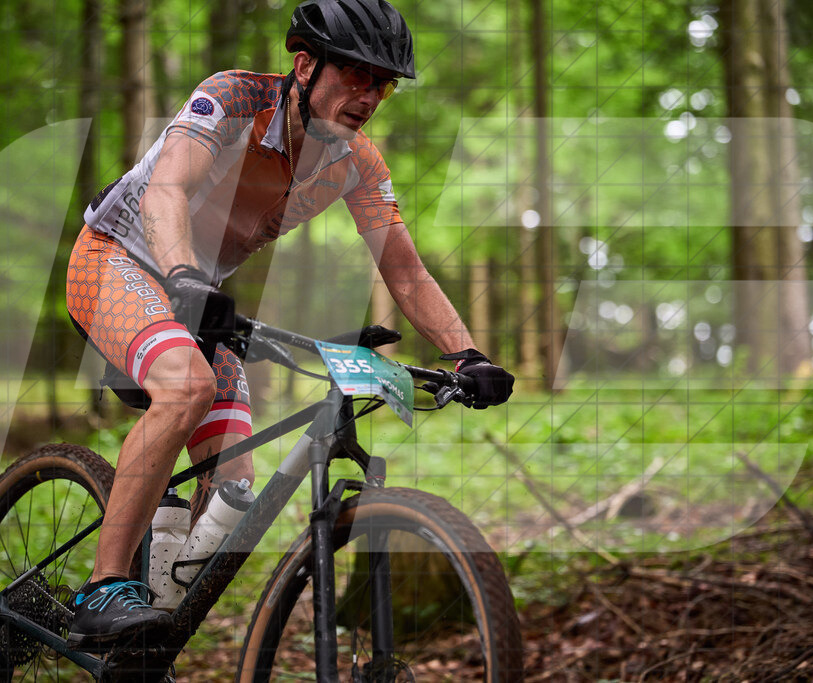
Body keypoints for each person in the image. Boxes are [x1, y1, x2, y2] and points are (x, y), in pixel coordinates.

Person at [63, 0, 514, 651]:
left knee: (233, 485)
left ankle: (147, 612)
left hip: (197, 292)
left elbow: (405, 270)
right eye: (356, 75)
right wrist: (184, 275)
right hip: (119, 258)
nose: (370, 96)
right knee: (187, 387)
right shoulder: (233, 99)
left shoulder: (358, 162)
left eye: (383, 85)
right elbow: (167, 189)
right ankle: (102, 588)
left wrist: (467, 354)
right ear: (305, 66)